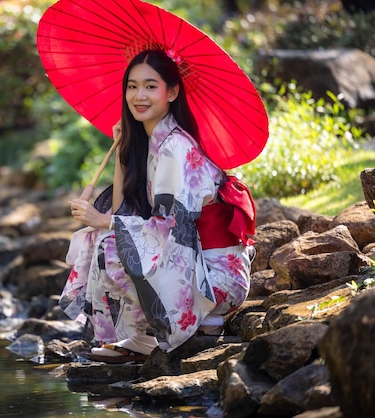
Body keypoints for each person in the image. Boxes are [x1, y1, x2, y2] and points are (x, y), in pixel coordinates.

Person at [62, 49, 256, 362]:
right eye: (132, 86)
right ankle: (153, 331)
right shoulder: (155, 141)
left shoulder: (175, 148)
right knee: (110, 236)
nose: (139, 95)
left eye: (151, 86)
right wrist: (124, 146)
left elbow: (168, 230)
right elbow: (124, 208)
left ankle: (189, 322)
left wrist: (102, 221)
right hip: (196, 262)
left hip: (216, 276)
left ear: (173, 91)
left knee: (111, 242)